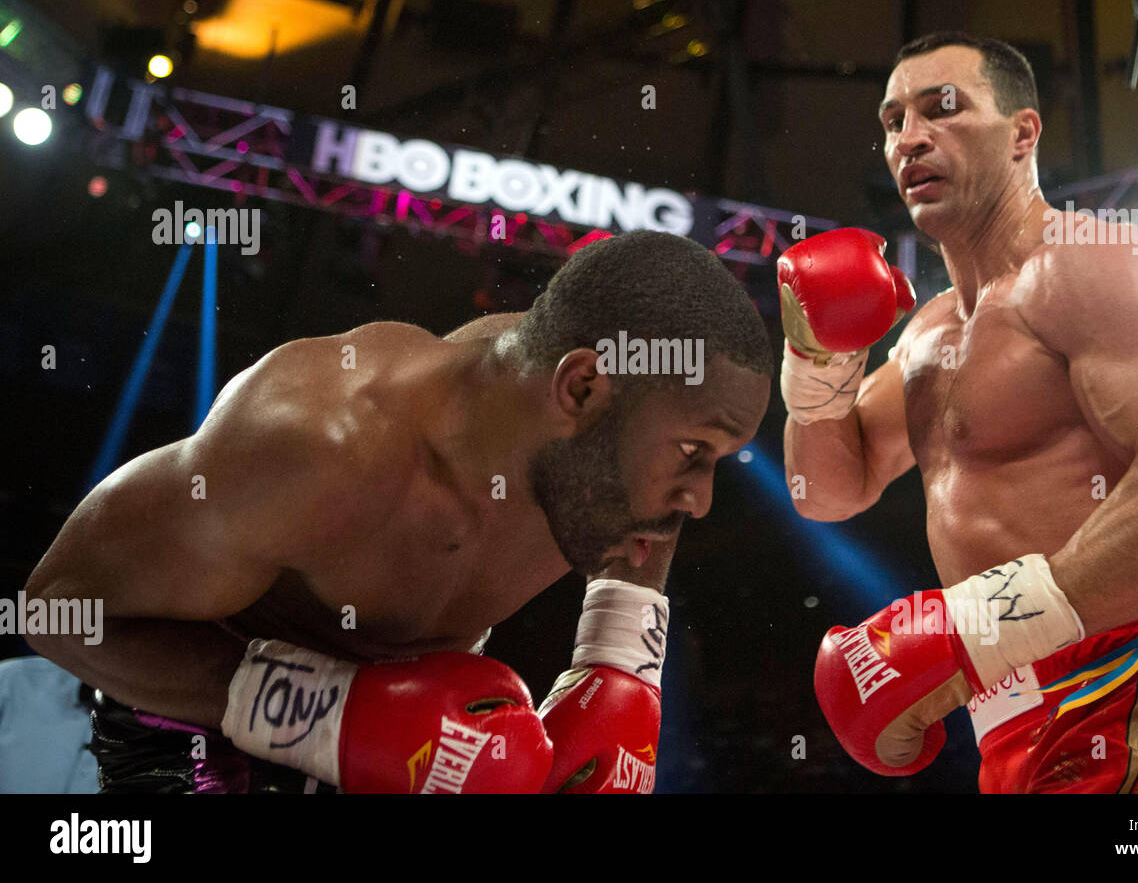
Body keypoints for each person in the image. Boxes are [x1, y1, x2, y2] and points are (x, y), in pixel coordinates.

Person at [23, 230, 771, 793]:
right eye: (692, 453)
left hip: (413, 738)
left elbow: (649, 531)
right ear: (579, 392)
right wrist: (333, 714)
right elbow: (56, 611)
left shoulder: (615, 456)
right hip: (192, 719)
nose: (697, 501)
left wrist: (620, 667)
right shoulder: (320, 443)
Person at [783, 32, 1138, 793]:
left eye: (942, 108)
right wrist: (816, 362)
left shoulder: (1091, 264)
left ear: (1022, 133)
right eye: (892, 120)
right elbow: (829, 489)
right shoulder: (926, 335)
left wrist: (970, 630)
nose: (909, 137)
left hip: (1135, 695)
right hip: (1008, 726)